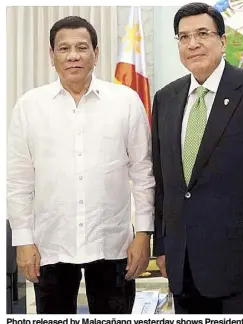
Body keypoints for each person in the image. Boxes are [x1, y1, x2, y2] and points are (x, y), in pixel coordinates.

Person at [152, 2, 243, 314]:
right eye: (184, 37)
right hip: (183, 262)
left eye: (202, 33)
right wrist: (162, 248)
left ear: (223, 40)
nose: (193, 44)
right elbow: (164, 183)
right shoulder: (165, 98)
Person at [7, 16, 154, 314]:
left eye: (82, 47)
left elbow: (143, 174)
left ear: (96, 54)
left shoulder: (126, 101)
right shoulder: (29, 106)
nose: (73, 55)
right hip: (50, 244)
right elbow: (18, 181)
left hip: (113, 244)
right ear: (52, 56)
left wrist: (143, 235)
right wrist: (22, 240)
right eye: (64, 48)